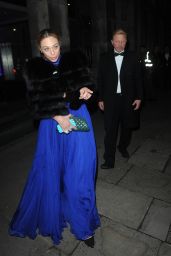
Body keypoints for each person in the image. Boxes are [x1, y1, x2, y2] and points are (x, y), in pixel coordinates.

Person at [9, 28, 100, 247]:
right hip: (53, 124)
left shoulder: (74, 60)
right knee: (53, 173)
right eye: (46, 49)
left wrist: (87, 91)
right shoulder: (34, 69)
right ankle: (62, 211)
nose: (52, 53)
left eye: (55, 46)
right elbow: (35, 103)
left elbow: (85, 87)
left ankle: (83, 225)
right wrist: (58, 116)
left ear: (61, 44)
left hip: (78, 119)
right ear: (40, 50)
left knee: (82, 171)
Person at [97, 29, 143, 169]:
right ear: (112, 42)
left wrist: (139, 97)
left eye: (122, 41)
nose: (120, 44)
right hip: (110, 100)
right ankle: (109, 160)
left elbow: (139, 79)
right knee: (110, 130)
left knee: (127, 128)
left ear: (126, 42)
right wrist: (100, 98)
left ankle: (122, 146)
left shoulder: (133, 57)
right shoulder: (104, 58)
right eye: (117, 41)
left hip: (128, 99)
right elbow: (101, 80)